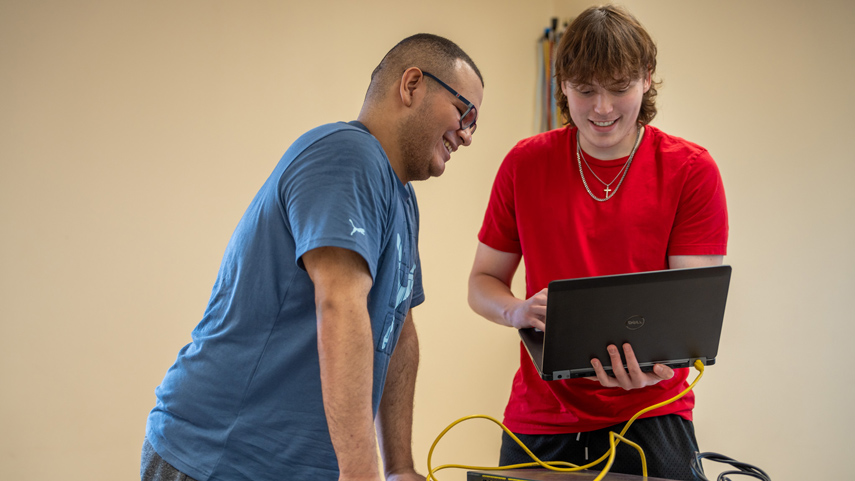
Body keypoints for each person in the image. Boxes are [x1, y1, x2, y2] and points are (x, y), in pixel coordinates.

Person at [142, 33, 484, 481]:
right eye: (465, 112)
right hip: (220, 458)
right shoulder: (348, 154)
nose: (468, 134)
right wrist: (362, 470)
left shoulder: (402, 200)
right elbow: (339, 303)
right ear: (412, 85)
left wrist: (400, 468)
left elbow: (398, 333)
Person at [468, 6, 727, 481]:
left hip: (652, 413)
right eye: (585, 90)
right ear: (562, 85)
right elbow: (483, 282)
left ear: (647, 80)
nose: (602, 109)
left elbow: (690, 313)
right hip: (541, 418)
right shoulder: (524, 165)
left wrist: (658, 371)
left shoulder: (691, 171)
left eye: (619, 88)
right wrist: (516, 311)